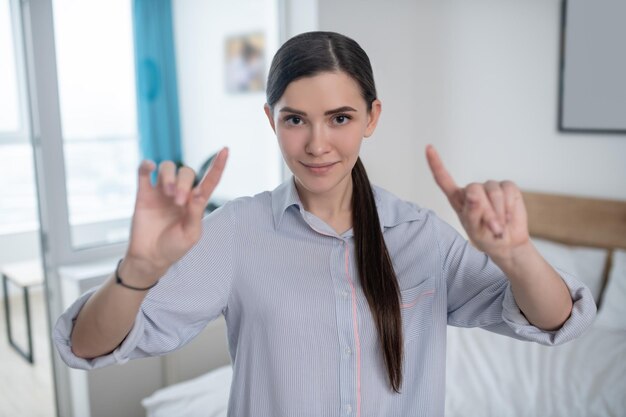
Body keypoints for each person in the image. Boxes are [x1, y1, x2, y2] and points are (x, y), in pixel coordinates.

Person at [54, 31, 595, 417]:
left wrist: (517, 253)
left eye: (340, 118)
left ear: (371, 118)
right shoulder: (238, 232)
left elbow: (557, 322)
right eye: (295, 120)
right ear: (271, 120)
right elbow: (86, 346)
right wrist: (138, 271)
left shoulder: (420, 235)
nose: (317, 144)